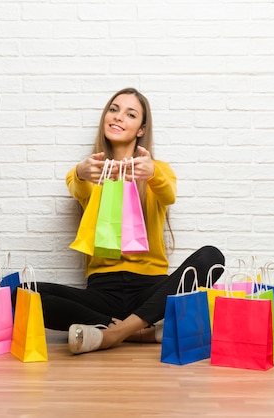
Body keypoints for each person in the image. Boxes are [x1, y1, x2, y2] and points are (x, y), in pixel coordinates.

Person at [15, 87, 225, 354]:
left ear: (141, 129)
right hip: (102, 293)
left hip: (151, 291)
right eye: (113, 110)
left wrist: (152, 175)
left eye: (130, 114)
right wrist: (80, 173)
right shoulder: (88, 170)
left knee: (212, 257)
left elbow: (169, 195)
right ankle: (139, 332)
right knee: (21, 294)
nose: (118, 117)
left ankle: (113, 334)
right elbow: (77, 188)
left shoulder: (157, 169)